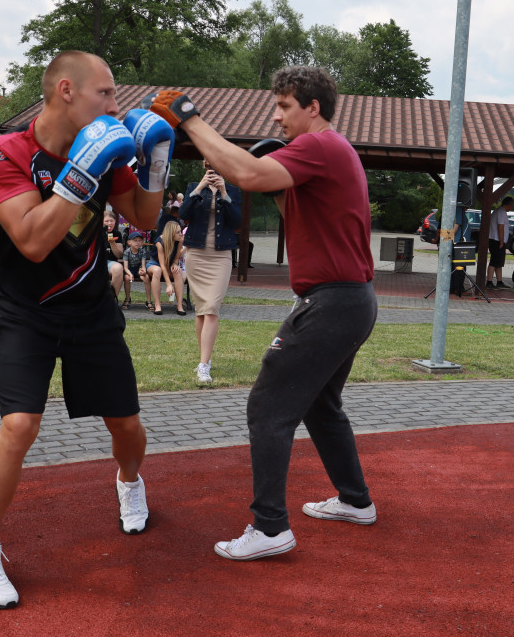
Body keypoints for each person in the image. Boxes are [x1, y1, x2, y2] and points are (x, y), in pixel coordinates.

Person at [144, 65, 378, 561]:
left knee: (267, 407)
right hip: (350, 300)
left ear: (313, 108)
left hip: (332, 302)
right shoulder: (332, 153)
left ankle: (270, 527)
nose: (277, 118)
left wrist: (187, 117)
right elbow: (286, 201)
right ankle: (356, 500)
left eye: (285, 107)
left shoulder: (321, 145)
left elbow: (245, 174)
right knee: (319, 403)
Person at [0, 50, 171, 609]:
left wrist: (155, 161)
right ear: (65, 90)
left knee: (126, 426)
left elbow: (145, 219)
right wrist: (82, 172)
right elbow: (32, 240)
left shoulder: (109, 149)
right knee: (19, 425)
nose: (115, 105)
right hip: (25, 312)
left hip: (91, 312)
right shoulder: (5, 152)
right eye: (105, 93)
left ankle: (129, 481)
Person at [179, 161, 242, 383]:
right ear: (205, 168)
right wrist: (198, 189)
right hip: (196, 254)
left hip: (221, 255)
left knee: (212, 309)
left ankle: (204, 365)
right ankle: (203, 359)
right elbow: (184, 213)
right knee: (201, 310)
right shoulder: (194, 187)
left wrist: (224, 192)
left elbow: (238, 222)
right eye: (209, 168)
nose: (213, 172)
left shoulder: (232, 190)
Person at [155, 220, 187, 316]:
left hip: (169, 263)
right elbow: (162, 265)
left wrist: (175, 264)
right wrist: (169, 285)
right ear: (171, 233)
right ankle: (157, 305)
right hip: (157, 264)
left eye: (180, 231)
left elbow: (177, 257)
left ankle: (179, 306)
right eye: (178, 232)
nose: (181, 234)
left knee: (177, 271)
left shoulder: (179, 240)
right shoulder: (159, 242)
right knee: (157, 271)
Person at [486, 196, 514, 289]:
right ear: (509, 204)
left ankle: (499, 281)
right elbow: (500, 227)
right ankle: (489, 282)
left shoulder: (499, 211)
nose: (512, 207)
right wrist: (501, 242)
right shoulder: (501, 212)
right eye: (512, 205)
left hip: (496, 240)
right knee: (494, 261)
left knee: (498, 262)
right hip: (497, 240)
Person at [121, 231, 151, 309]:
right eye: (135, 240)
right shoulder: (127, 252)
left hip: (138, 269)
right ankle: (127, 298)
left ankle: (149, 301)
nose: (138, 242)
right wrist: (130, 274)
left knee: (146, 277)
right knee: (127, 278)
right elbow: (125, 268)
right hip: (129, 270)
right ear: (129, 242)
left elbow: (143, 265)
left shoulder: (142, 251)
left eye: (139, 240)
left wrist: (143, 271)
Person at [102, 210, 125, 302]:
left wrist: (112, 243)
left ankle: (112, 300)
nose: (109, 223)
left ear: (115, 221)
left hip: (110, 263)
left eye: (111, 221)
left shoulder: (117, 234)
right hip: (97, 262)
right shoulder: (96, 232)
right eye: (106, 221)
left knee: (118, 268)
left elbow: (119, 255)